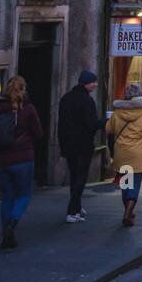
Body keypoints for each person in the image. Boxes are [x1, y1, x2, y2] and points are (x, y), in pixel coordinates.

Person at [0, 76, 43, 250]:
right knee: (24, 194)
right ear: (23, 89)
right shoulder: (28, 109)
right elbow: (38, 133)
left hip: (0, 159)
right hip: (22, 158)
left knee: (7, 196)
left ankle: (6, 234)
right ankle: (12, 224)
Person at [107, 82, 142, 226]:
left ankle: (128, 211)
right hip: (139, 154)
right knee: (135, 183)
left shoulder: (118, 111)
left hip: (122, 153)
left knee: (126, 184)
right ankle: (128, 213)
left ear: (127, 95)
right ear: (141, 94)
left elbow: (109, 129)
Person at [58, 71, 102, 223]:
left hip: (68, 144)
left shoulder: (66, 98)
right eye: (93, 82)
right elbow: (91, 124)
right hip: (82, 145)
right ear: (86, 83)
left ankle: (77, 207)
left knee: (75, 176)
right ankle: (72, 211)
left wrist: (62, 143)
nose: (96, 85)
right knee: (80, 178)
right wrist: (104, 123)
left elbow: (61, 124)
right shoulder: (86, 100)